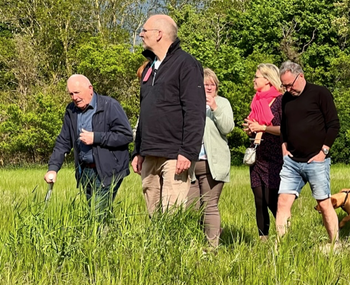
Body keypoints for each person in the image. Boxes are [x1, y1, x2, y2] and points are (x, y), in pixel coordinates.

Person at [131, 14, 206, 216]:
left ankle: (173, 248)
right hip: (149, 153)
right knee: (153, 214)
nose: (141, 34)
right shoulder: (148, 68)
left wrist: (188, 151)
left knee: (171, 214)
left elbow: (195, 111)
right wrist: (138, 150)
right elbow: (144, 112)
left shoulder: (187, 65)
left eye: (145, 31)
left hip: (175, 154)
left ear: (159, 34)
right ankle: (156, 248)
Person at [45, 75, 132, 222]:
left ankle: (97, 243)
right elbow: (63, 141)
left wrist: (96, 138)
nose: (74, 97)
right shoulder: (71, 111)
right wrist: (53, 168)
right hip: (85, 171)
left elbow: (125, 135)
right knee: (96, 212)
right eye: (71, 94)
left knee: (97, 214)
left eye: (77, 92)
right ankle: (111, 239)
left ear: (90, 89)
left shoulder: (109, 105)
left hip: (108, 170)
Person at [276, 61, 341, 242]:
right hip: (291, 161)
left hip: (316, 161)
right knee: (282, 202)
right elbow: (284, 127)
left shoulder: (320, 93)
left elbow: (334, 124)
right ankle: (282, 247)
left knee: (324, 203)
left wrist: (323, 152)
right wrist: (283, 148)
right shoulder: (286, 99)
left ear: (301, 76)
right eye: (284, 85)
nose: (288, 89)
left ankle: (334, 245)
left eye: (290, 84)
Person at [187, 68, 234, 247]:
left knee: (209, 205)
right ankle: (192, 243)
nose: (208, 87)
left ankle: (212, 247)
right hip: (189, 163)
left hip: (212, 163)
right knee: (190, 207)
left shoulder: (223, 103)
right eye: (205, 84)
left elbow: (228, 127)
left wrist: (214, 107)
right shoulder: (189, 102)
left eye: (212, 84)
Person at [243, 63, 284, 239]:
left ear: (267, 80)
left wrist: (263, 128)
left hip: (274, 156)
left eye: (256, 76)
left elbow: (285, 129)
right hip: (257, 155)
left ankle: (284, 234)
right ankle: (263, 239)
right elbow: (255, 126)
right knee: (259, 201)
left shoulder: (281, 100)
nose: (253, 79)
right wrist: (250, 130)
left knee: (271, 199)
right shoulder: (257, 100)